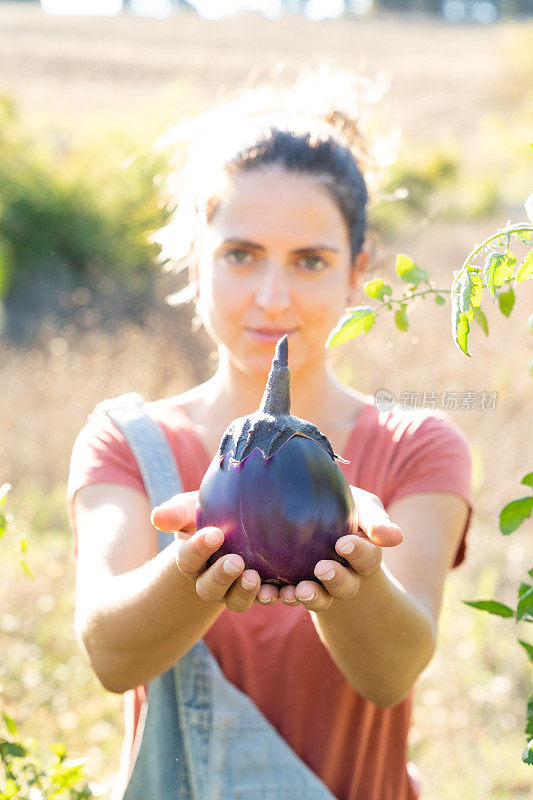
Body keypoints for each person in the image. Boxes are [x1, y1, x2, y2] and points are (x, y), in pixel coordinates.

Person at [67, 68, 473, 800]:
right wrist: (200, 556)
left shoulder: (418, 445)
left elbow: (389, 676)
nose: (273, 298)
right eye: (241, 254)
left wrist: (354, 572)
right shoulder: (125, 442)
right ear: (197, 261)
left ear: (357, 273)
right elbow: (109, 655)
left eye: (309, 261)